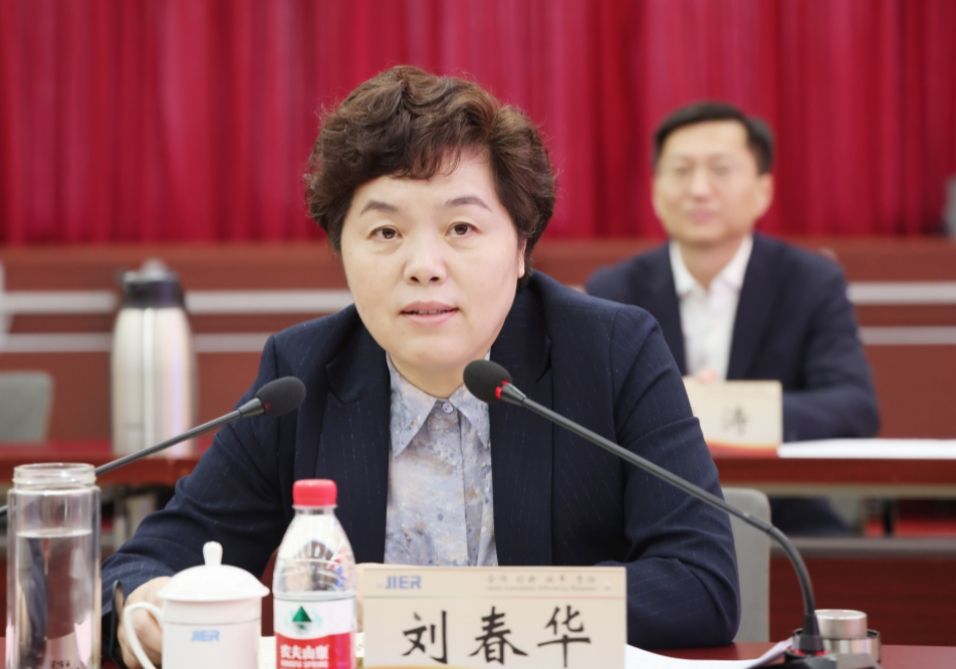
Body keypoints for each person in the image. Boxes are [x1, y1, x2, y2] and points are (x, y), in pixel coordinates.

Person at [101, 67, 739, 667]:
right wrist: (144, 607)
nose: (424, 266)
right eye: (386, 233)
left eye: (461, 228)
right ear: (342, 252)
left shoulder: (611, 351)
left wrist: (442, 610)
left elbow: (700, 583)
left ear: (521, 247)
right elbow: (143, 567)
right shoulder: (302, 374)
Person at [587, 101, 880, 535]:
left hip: (783, 512)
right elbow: (592, 414)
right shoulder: (615, 290)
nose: (699, 189)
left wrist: (728, 409)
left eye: (721, 170)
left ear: (763, 190)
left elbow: (854, 406)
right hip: (649, 512)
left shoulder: (810, 281)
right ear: (655, 191)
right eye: (681, 170)